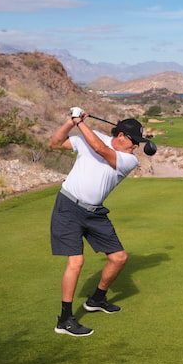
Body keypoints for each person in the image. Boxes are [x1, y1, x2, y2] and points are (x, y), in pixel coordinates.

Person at [48, 108, 150, 336]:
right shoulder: (91, 137)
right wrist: (70, 122)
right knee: (76, 262)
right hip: (68, 207)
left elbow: (100, 149)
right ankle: (64, 320)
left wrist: (80, 123)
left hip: (94, 213)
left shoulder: (128, 160)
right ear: (122, 136)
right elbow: (54, 144)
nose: (137, 147)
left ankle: (96, 299)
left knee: (119, 258)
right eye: (135, 141)